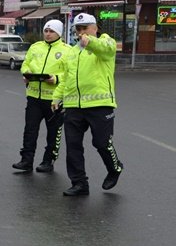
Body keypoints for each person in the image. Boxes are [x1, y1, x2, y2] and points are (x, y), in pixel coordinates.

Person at [52, 13, 124, 196]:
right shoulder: (73, 52)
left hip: (100, 104)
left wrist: (90, 42)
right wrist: (57, 97)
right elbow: (67, 78)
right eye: (79, 29)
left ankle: (114, 168)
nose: (82, 32)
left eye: (86, 28)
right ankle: (79, 183)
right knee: (73, 145)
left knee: (101, 143)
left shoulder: (105, 42)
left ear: (95, 28)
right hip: (74, 106)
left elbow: (107, 49)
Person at [12, 20, 71, 174]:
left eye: (51, 31)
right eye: (46, 31)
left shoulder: (67, 50)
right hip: (33, 97)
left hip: (54, 99)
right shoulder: (35, 47)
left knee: (53, 133)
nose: (48, 34)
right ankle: (26, 160)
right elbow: (26, 64)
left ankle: (48, 161)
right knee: (30, 130)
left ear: (59, 33)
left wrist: (56, 78)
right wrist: (26, 73)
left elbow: (70, 73)